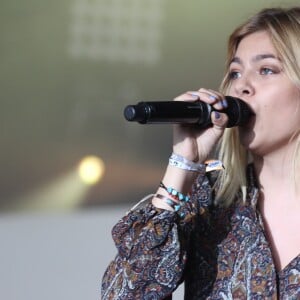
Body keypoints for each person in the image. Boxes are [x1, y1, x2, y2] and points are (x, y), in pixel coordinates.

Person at [101, 6, 300, 299]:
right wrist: (183, 164)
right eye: (235, 72)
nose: (241, 86)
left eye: (266, 70)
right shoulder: (209, 198)